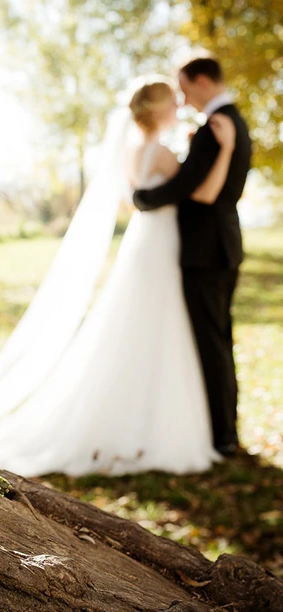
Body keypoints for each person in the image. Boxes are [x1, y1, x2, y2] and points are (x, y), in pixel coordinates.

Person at [0, 76, 236, 477]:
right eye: (172, 103)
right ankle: (154, 420)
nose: (178, 107)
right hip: (162, 245)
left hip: (143, 244)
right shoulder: (161, 154)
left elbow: (134, 199)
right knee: (162, 323)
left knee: (136, 322)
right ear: (159, 111)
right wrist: (221, 148)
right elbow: (198, 190)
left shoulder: (132, 150)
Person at [133, 58, 252, 458]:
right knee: (216, 339)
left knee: (212, 341)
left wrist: (143, 199)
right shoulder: (229, 123)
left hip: (206, 251)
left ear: (203, 81)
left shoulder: (216, 129)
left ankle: (223, 435)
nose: (183, 99)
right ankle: (223, 430)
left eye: (185, 89)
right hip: (217, 247)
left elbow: (191, 188)